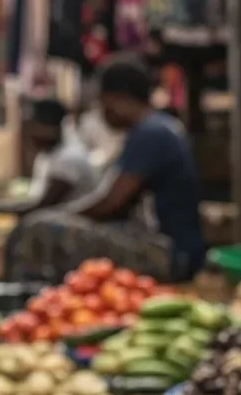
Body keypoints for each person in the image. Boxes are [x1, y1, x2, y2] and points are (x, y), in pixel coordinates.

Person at [78, 58, 206, 281]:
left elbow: (111, 203)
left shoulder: (150, 133)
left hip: (171, 253)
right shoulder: (160, 126)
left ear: (118, 98)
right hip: (180, 249)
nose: (102, 111)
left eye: (103, 103)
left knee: (47, 228)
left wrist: (64, 215)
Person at [0, 99, 96, 217]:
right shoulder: (47, 155)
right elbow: (35, 200)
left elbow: (42, 207)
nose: (28, 134)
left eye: (32, 126)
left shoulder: (69, 158)